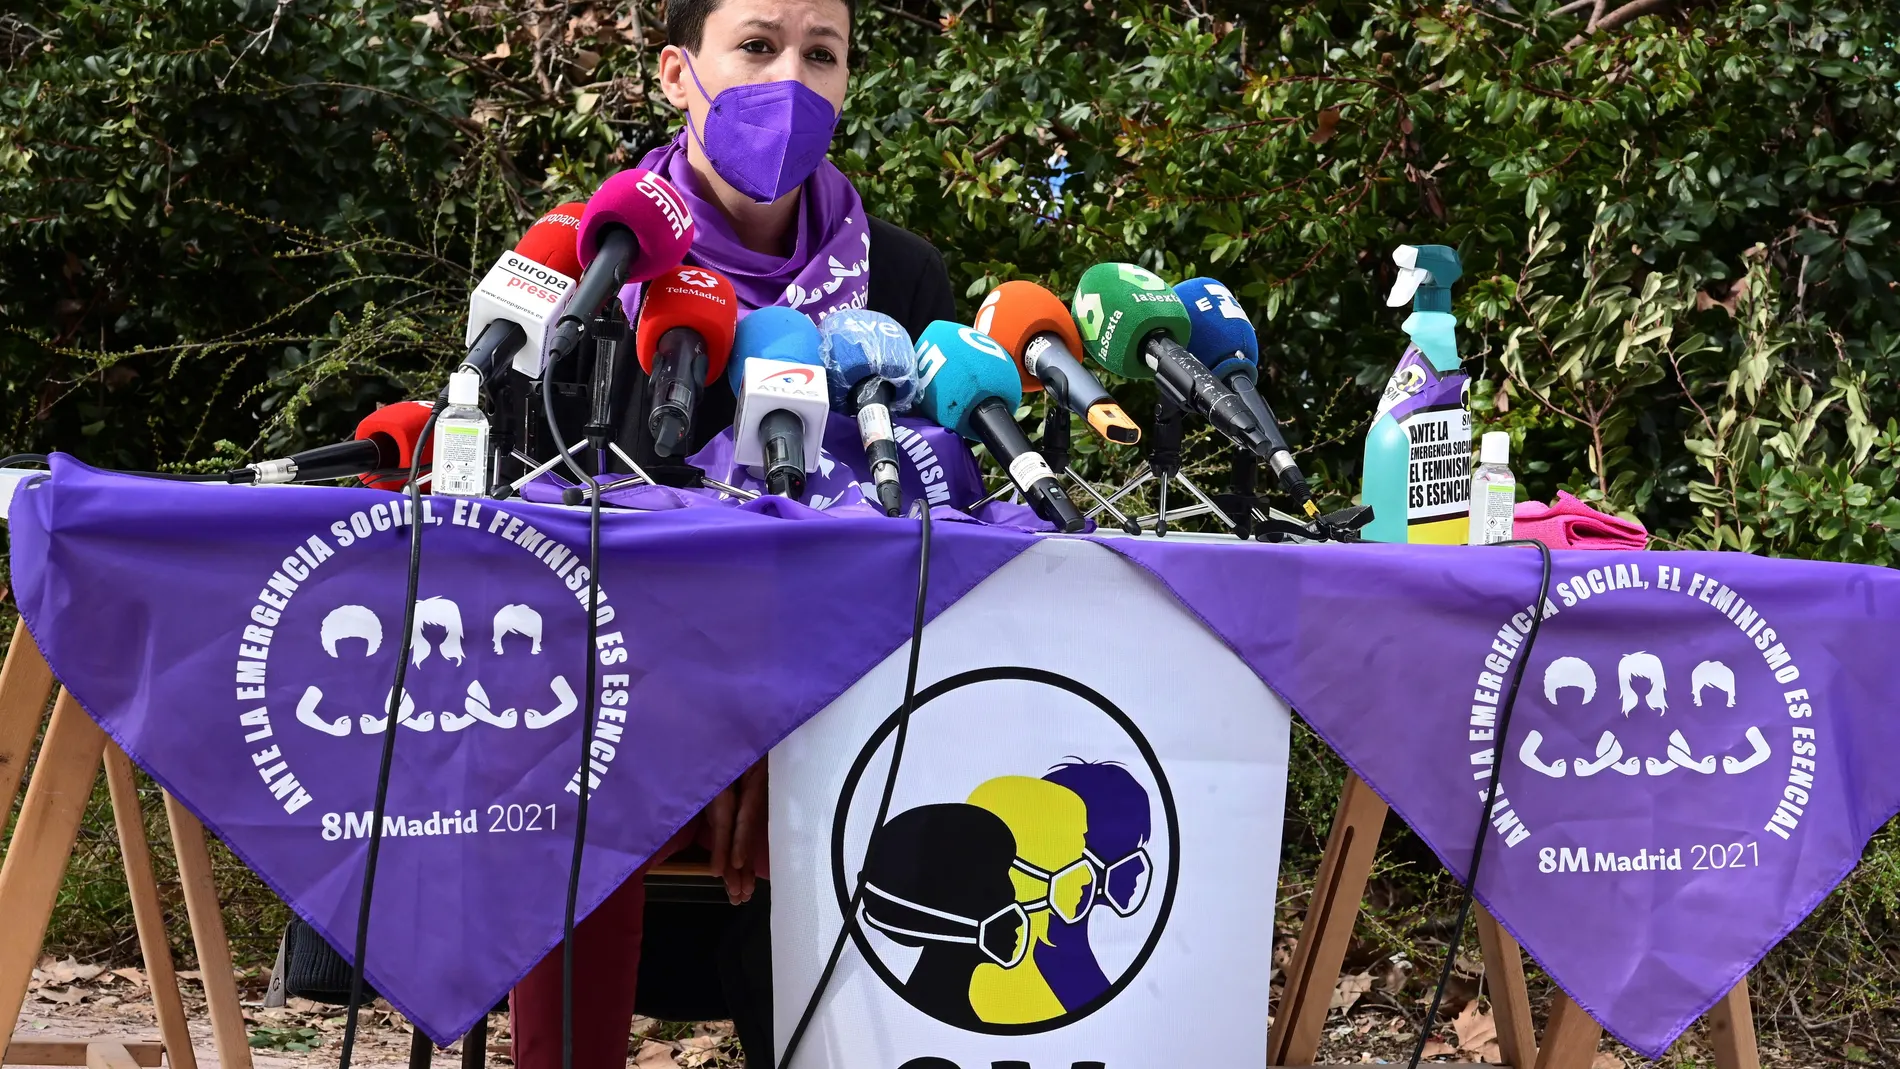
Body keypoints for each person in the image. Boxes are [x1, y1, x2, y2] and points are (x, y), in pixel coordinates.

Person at [508, 1, 958, 1066]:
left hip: (832, 707)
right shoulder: (589, 265)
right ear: (677, 73)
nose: (789, 80)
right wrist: (711, 724)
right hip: (615, 700)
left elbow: (925, 549)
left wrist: (780, 727)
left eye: (822, 55)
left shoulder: (904, 282)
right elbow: (534, 538)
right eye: (756, 46)